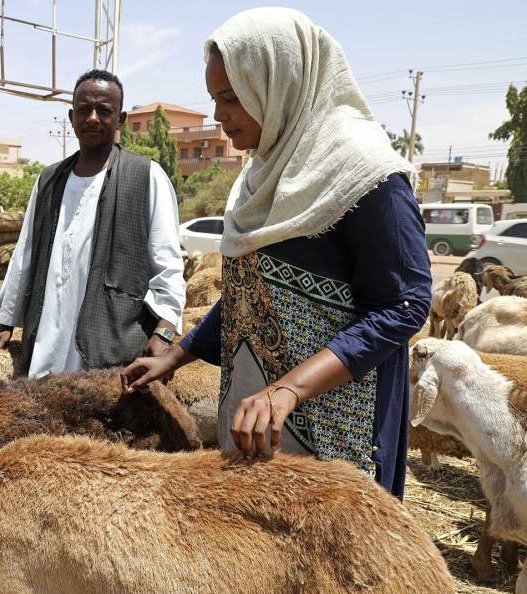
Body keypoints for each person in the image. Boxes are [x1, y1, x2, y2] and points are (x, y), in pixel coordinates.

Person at [121, 8, 431, 499]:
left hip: (335, 435)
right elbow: (251, 296)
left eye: (231, 98)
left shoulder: (368, 177)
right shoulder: (262, 176)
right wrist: (176, 356)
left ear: (279, 84)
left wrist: (289, 388)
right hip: (259, 422)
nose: (219, 115)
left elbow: (403, 305)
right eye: (214, 100)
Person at [0, 69, 186, 378]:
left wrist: (164, 332)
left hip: (112, 343)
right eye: (84, 110)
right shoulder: (49, 180)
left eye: (104, 111)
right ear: (72, 116)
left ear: (121, 119)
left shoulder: (147, 176)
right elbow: (25, 255)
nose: (92, 118)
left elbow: (167, 263)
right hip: (47, 339)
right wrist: (5, 321)